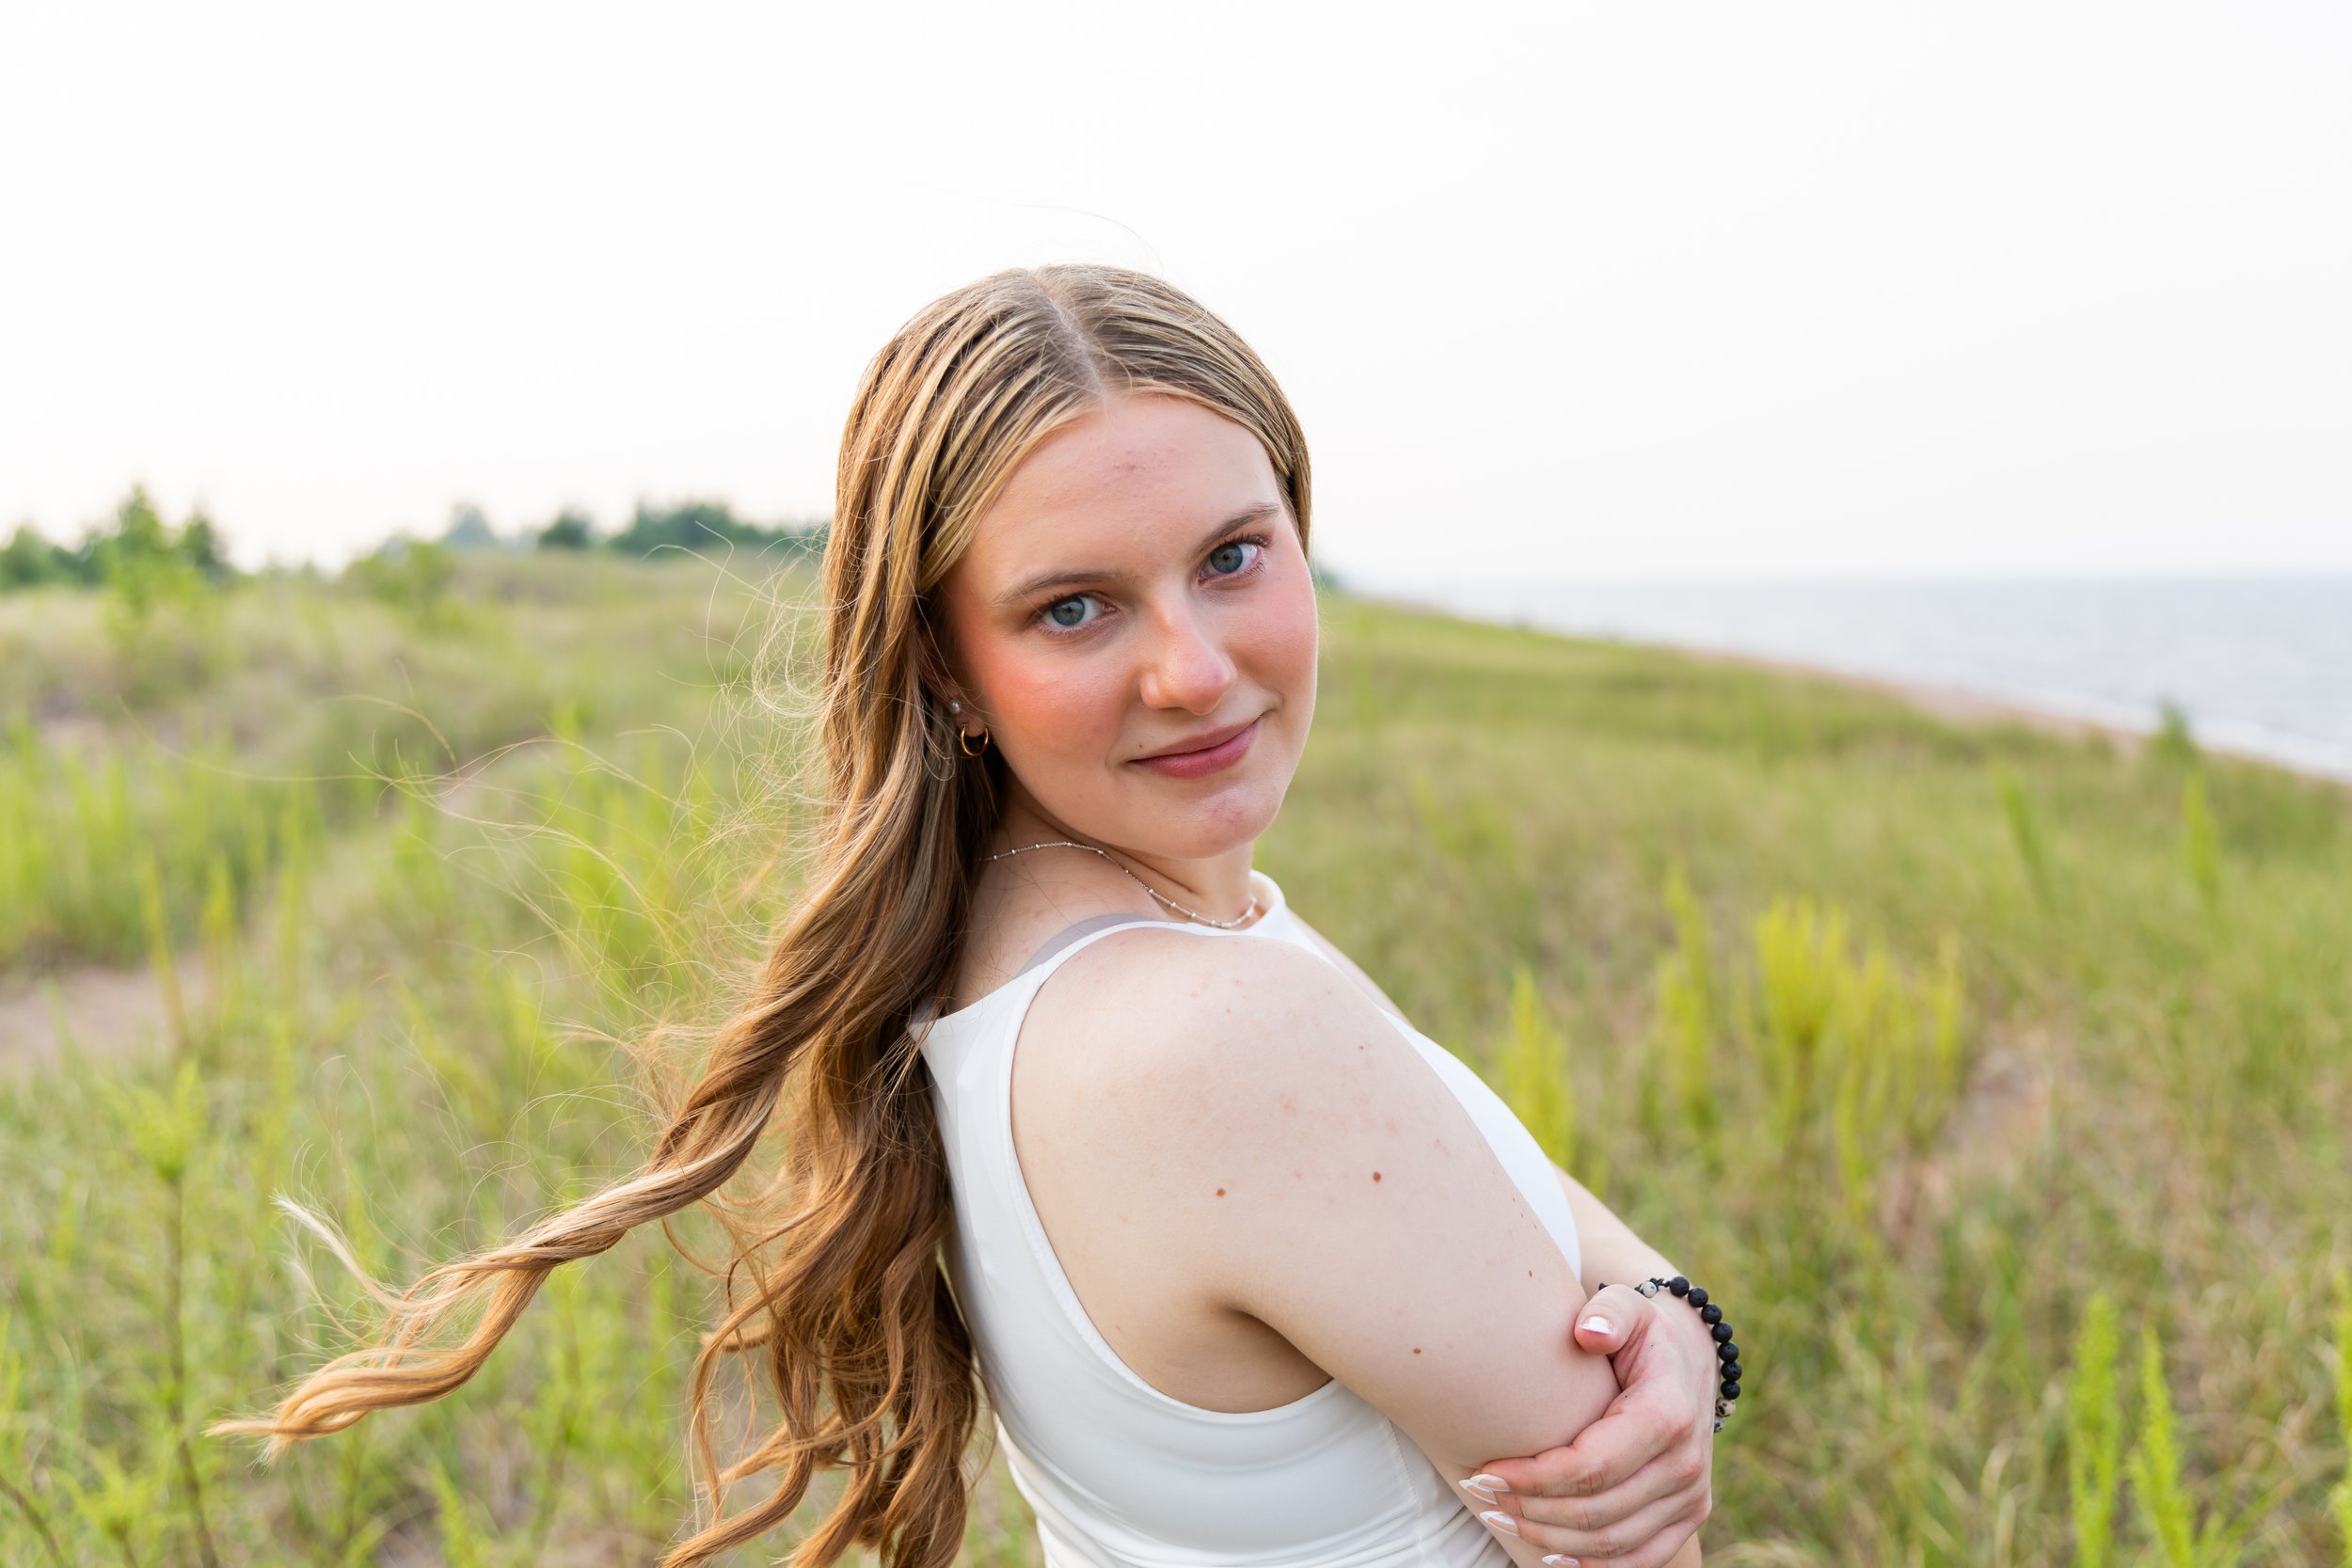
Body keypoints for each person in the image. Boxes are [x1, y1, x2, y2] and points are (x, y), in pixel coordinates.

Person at [212, 263, 1726, 1568]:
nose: (1192, 668)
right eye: (1075, 606)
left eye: (1232, 556)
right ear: (942, 660)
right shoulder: (1206, 1028)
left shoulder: (1130, 932)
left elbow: (1482, 1194)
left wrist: (1667, 1309)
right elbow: (1633, 1537)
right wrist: (1675, 1346)